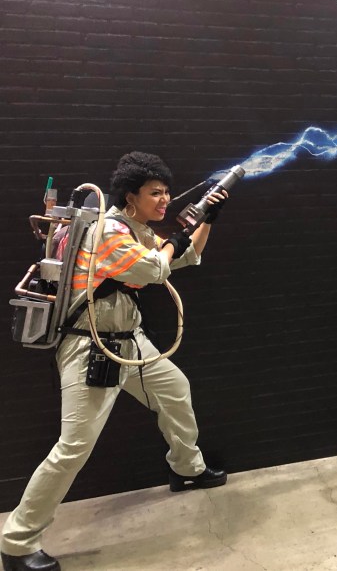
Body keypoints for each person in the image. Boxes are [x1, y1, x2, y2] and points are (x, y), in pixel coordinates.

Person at [1, 152, 228, 571]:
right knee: (73, 448)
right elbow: (154, 270)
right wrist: (174, 241)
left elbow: (184, 259)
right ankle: (16, 543)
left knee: (175, 391)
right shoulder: (108, 231)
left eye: (167, 191)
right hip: (91, 346)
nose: (165, 199)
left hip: (129, 341)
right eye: (155, 193)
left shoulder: (135, 230)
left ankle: (187, 468)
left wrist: (207, 220)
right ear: (130, 196)